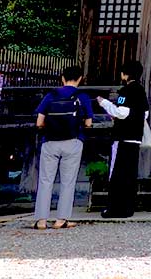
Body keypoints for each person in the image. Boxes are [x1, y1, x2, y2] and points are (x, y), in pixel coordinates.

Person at [33, 66, 93, 229]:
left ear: (62, 78)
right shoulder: (82, 97)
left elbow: (39, 122)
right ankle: (61, 219)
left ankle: (41, 220)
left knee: (45, 180)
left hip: (50, 141)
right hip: (73, 141)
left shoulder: (51, 95)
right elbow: (88, 123)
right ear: (80, 78)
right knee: (68, 181)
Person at [96, 59, 148, 219]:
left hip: (123, 137)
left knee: (116, 173)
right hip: (135, 137)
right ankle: (128, 208)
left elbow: (121, 112)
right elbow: (144, 114)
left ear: (126, 74)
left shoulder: (126, 91)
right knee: (129, 174)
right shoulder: (141, 91)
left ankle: (114, 208)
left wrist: (104, 103)